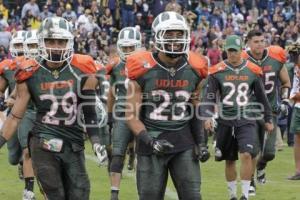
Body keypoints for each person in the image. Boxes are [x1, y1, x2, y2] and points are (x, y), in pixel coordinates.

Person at [0, 17, 107, 200]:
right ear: (41, 41)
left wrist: (96, 140)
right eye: (50, 41)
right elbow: (16, 116)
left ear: (69, 42)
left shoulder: (82, 67)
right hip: (43, 141)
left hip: (73, 142)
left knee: (80, 194)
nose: (56, 46)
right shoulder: (30, 72)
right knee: (55, 194)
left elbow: (89, 111)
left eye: (61, 41)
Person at [125, 11, 209, 200]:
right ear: (157, 36)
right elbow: (130, 115)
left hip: (183, 141)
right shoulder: (142, 68)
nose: (175, 39)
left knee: (193, 196)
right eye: (169, 34)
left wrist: (201, 143)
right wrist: (150, 141)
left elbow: (195, 108)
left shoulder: (196, 68)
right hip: (151, 139)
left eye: (179, 34)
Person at [202, 35, 273, 200]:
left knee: (247, 154)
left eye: (235, 51)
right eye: (230, 51)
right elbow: (209, 97)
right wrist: (206, 116)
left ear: (242, 50)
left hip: (246, 118)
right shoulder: (217, 71)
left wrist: (268, 118)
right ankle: (232, 194)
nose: (233, 54)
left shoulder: (253, 70)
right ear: (225, 51)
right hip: (225, 119)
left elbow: (262, 97)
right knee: (229, 159)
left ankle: (245, 194)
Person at [242, 30, 291, 195]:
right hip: (250, 110)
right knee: (253, 149)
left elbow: (285, 82)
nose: (260, 44)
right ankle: (250, 183)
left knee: (269, 152)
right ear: (248, 43)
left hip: (270, 110)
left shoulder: (276, 57)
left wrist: (284, 100)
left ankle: (261, 166)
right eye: (256, 41)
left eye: (262, 40)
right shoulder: (242, 59)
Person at [106, 26, 141, 200]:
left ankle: (145, 192)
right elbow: (112, 91)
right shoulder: (114, 65)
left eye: (131, 47)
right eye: (125, 47)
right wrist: (109, 115)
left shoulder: (146, 63)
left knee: (145, 156)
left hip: (141, 114)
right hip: (121, 112)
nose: (127, 51)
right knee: (117, 153)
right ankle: (114, 194)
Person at [0, 30, 35, 199]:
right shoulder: (9, 66)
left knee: (29, 149)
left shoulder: (39, 65)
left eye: (24, 45)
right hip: (14, 113)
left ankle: (29, 189)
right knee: (13, 157)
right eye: (19, 46)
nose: (21, 49)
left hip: (33, 113)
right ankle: (21, 162)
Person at [288, 55, 300, 180]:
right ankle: (298, 171)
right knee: (297, 138)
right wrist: (293, 96)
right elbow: (295, 84)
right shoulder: (297, 66)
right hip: (298, 106)